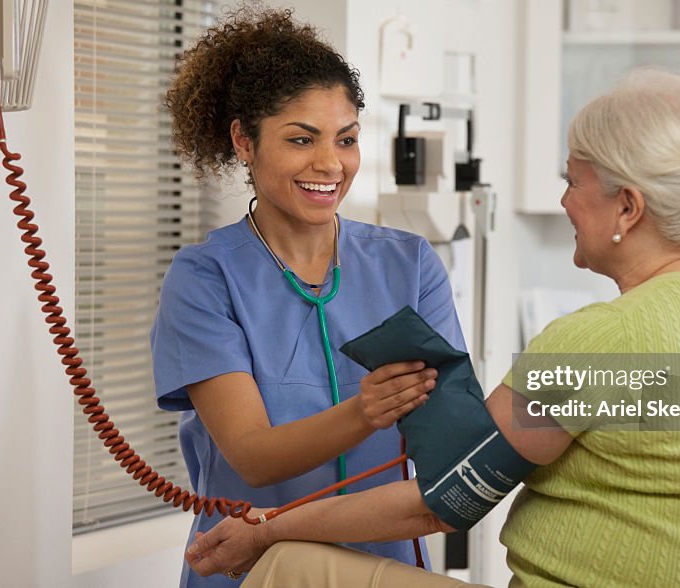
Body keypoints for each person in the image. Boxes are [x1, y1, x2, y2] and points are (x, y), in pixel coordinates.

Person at [182, 69, 680, 588]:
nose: (565, 200)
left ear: (628, 207)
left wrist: (267, 531)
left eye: (573, 181)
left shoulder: (596, 346)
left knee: (285, 567)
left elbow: (445, 500)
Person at [150, 7, 466, 587]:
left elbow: (454, 437)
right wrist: (366, 411)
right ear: (244, 140)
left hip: (382, 570)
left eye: (346, 140)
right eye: (301, 139)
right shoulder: (205, 279)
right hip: (251, 569)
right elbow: (252, 455)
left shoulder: (411, 264)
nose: (330, 164)